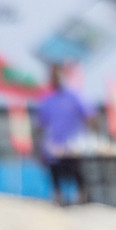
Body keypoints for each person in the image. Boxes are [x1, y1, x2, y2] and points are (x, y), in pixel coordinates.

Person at [34, 65, 98, 206]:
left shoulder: (75, 97)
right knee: (54, 169)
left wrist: (92, 134)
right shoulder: (48, 101)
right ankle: (58, 196)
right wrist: (38, 147)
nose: (56, 79)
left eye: (57, 76)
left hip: (74, 144)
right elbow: (40, 125)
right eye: (53, 77)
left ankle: (82, 196)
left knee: (76, 168)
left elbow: (90, 115)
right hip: (55, 144)